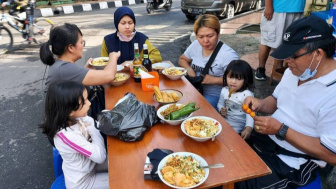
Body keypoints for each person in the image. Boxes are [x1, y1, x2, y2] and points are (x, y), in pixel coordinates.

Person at [235, 15, 336, 188]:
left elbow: (331, 155)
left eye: (293, 56)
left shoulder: (332, 93)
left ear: (318, 54)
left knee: (238, 182)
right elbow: (275, 100)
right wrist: (259, 103)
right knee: (225, 156)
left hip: (293, 162)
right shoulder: (295, 70)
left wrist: (281, 130)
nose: (287, 62)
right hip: (266, 141)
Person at [40, 81, 108, 188]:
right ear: (70, 110)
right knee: (123, 180)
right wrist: (93, 129)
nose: (89, 103)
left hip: (91, 166)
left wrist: (92, 125)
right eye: (85, 101)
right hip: (84, 182)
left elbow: (89, 120)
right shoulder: (67, 136)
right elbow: (100, 157)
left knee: (124, 165)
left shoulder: (74, 117)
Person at [178, 14, 239, 108]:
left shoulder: (228, 55)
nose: (205, 41)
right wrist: (190, 71)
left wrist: (215, 80)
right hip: (194, 89)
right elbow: (182, 59)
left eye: (210, 36)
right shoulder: (195, 45)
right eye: (201, 37)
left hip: (217, 96)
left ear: (218, 33)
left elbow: (239, 82)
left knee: (191, 110)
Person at [40, 23, 120, 88]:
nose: (83, 45)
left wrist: (85, 70)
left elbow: (73, 79)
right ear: (71, 47)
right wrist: (113, 57)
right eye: (81, 42)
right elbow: (109, 76)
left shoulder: (61, 65)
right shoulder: (64, 68)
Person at [255, 0, 305, 80]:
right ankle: (261, 68)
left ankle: (279, 68)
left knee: (287, 41)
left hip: (298, 9)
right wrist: (268, 6)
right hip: (278, 9)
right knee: (268, 40)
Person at [217, 60, 254, 139]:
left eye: (238, 79)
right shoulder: (224, 90)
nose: (233, 81)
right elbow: (220, 103)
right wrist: (221, 109)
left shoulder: (247, 95)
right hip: (223, 123)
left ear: (246, 80)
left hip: (237, 129)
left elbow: (250, 114)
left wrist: (248, 128)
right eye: (230, 77)